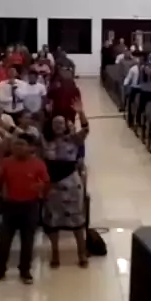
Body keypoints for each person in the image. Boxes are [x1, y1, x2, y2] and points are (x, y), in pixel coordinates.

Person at [0, 134, 49, 286]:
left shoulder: (38, 164)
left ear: (29, 147)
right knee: (4, 241)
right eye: (15, 144)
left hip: (30, 206)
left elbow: (47, 183)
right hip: (10, 206)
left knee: (27, 241)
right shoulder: (6, 163)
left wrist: (41, 187)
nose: (18, 147)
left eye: (21, 144)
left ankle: (25, 271)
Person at [42, 103, 90, 269]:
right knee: (53, 221)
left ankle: (81, 253)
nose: (58, 126)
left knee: (76, 221)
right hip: (52, 185)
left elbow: (86, 129)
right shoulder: (45, 141)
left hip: (70, 183)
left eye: (61, 123)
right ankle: (55, 253)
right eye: (55, 123)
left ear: (66, 125)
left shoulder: (73, 139)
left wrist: (81, 113)